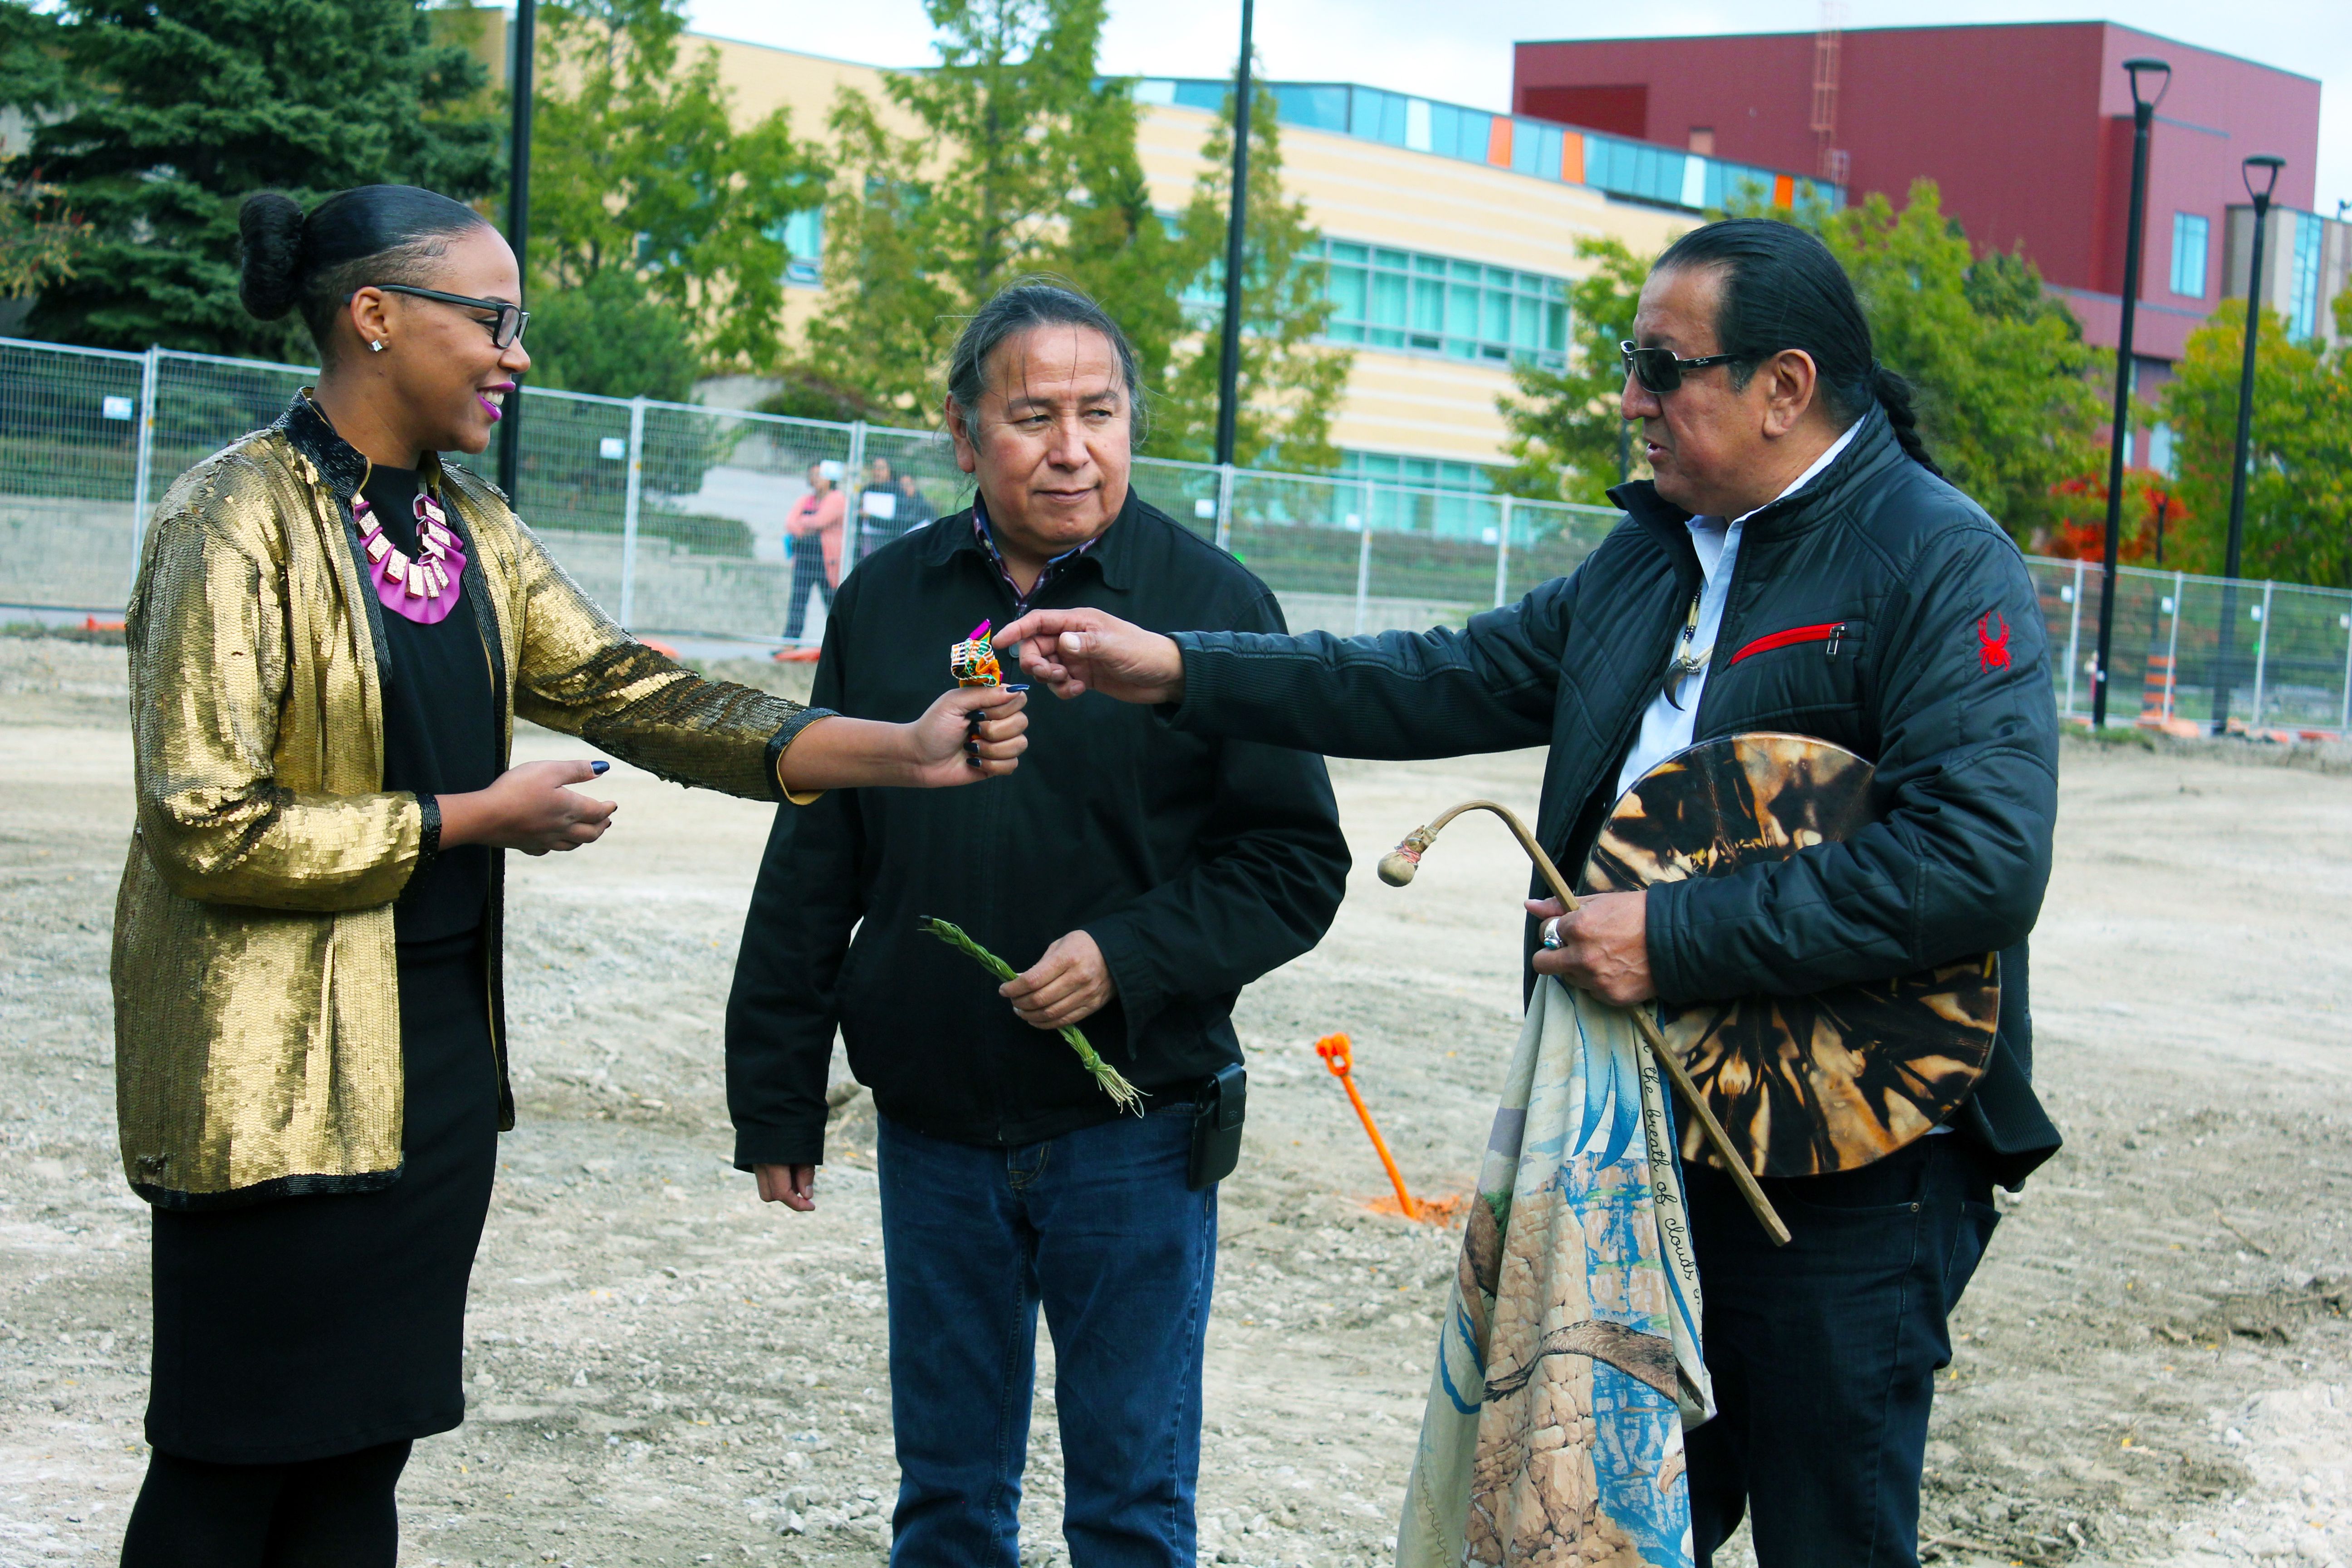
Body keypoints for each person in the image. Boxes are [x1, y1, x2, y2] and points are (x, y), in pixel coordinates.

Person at [996, 220, 2063, 1568]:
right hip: (1635, 1138)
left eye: (1661, 367)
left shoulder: (1937, 562)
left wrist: (1672, 937)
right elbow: (1434, 675)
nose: (1630, 399)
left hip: (1848, 1166)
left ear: (1783, 387)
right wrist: (1176, 668)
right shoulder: (1653, 556)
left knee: (1829, 1535)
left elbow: (1977, 860)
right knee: (1595, 1532)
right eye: (1631, 361)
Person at [113, 184, 1028, 1568]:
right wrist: (473, 817)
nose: (519, 354)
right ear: (374, 316)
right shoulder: (231, 519)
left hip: (432, 1068)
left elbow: (633, 693)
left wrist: (896, 751)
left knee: (363, 1456)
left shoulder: (466, 527)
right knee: (230, 1465)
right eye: (492, 322)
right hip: (272, 1081)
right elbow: (209, 826)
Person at [725, 282, 1350, 1567]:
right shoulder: (888, 599)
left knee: (1129, 1501)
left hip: (1134, 1122)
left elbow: (1293, 862)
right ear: (964, 434)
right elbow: (816, 854)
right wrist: (776, 1094)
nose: (1072, 448)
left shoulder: (1211, 606)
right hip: (934, 1125)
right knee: (947, 1496)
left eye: (1098, 413)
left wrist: (1128, 955)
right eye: (1032, 417)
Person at [782, 458, 844, 643]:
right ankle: (790, 642)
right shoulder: (805, 500)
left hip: (826, 560)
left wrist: (803, 522)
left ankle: (840, 643)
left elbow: (820, 521)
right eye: (813, 474)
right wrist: (807, 526)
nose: (815, 478)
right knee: (798, 600)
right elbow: (790, 523)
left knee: (832, 602)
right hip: (804, 557)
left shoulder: (837, 499)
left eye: (820, 474)